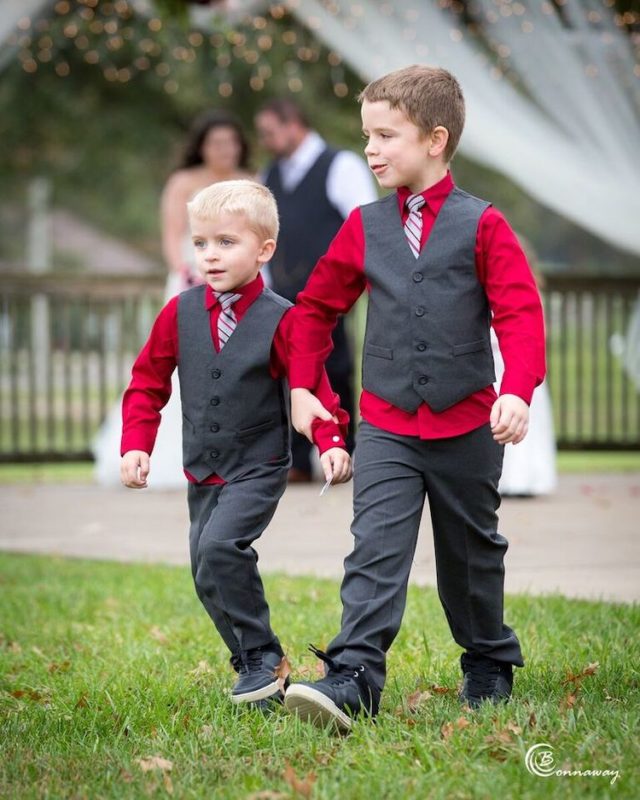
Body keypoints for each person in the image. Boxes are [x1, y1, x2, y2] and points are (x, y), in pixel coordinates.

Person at [281, 65, 546, 731]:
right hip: (389, 429)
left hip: (468, 431)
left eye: (384, 136)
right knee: (374, 549)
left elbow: (520, 315)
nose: (369, 149)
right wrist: (304, 386)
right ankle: (353, 677)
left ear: (434, 139)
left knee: (470, 554)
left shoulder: (483, 224)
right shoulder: (364, 226)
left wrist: (516, 391)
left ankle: (488, 660)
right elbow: (313, 311)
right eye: (365, 135)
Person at [120, 180, 352, 708]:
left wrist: (330, 439)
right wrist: (137, 443)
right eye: (201, 243)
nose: (211, 255)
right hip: (203, 468)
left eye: (227, 242)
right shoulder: (178, 314)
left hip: (258, 463)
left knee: (223, 549)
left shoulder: (283, 319)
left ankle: (264, 655)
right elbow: (147, 382)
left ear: (264, 249)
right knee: (206, 572)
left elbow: (312, 387)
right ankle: (255, 666)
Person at [94, 111, 253, 489]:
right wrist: (188, 272)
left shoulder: (251, 182)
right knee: (180, 365)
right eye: (216, 143)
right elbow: (172, 235)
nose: (224, 150)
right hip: (191, 281)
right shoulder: (184, 182)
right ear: (201, 146)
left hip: (243, 282)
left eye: (231, 142)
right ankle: (162, 454)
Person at [255, 98, 378, 482]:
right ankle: (295, 459)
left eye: (270, 132)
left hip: (332, 293)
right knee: (284, 373)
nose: (266, 141)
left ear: (293, 123)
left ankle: (343, 452)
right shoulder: (268, 174)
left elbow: (362, 222)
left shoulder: (340, 165)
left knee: (336, 368)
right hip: (281, 294)